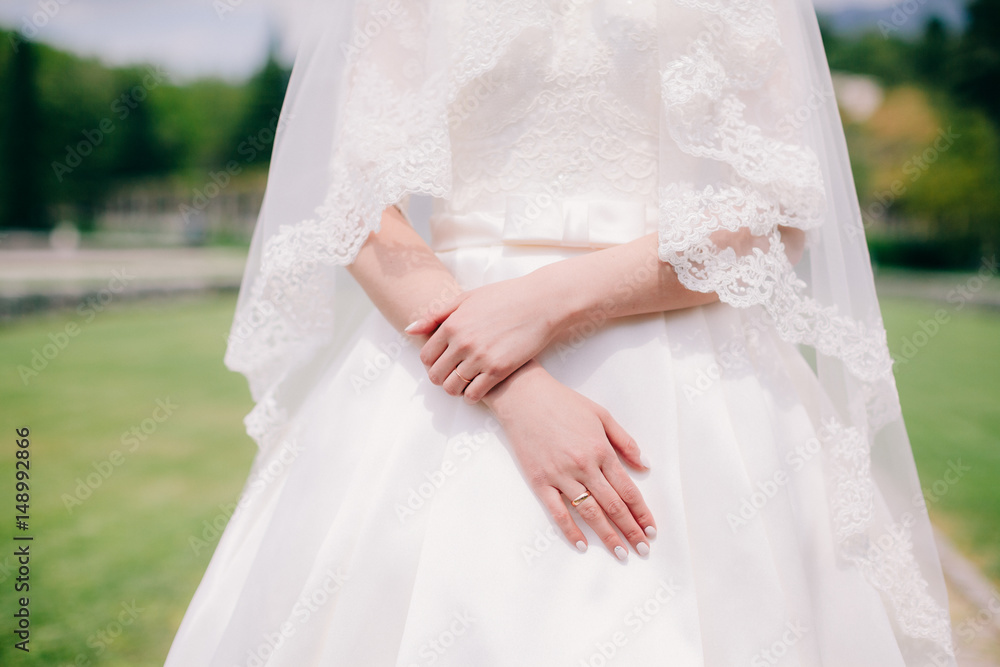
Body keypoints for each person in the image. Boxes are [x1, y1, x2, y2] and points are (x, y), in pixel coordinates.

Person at [166, 0, 958, 664]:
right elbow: (358, 211)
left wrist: (543, 304)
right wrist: (509, 381)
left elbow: (777, 210)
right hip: (441, 344)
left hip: (679, 347)